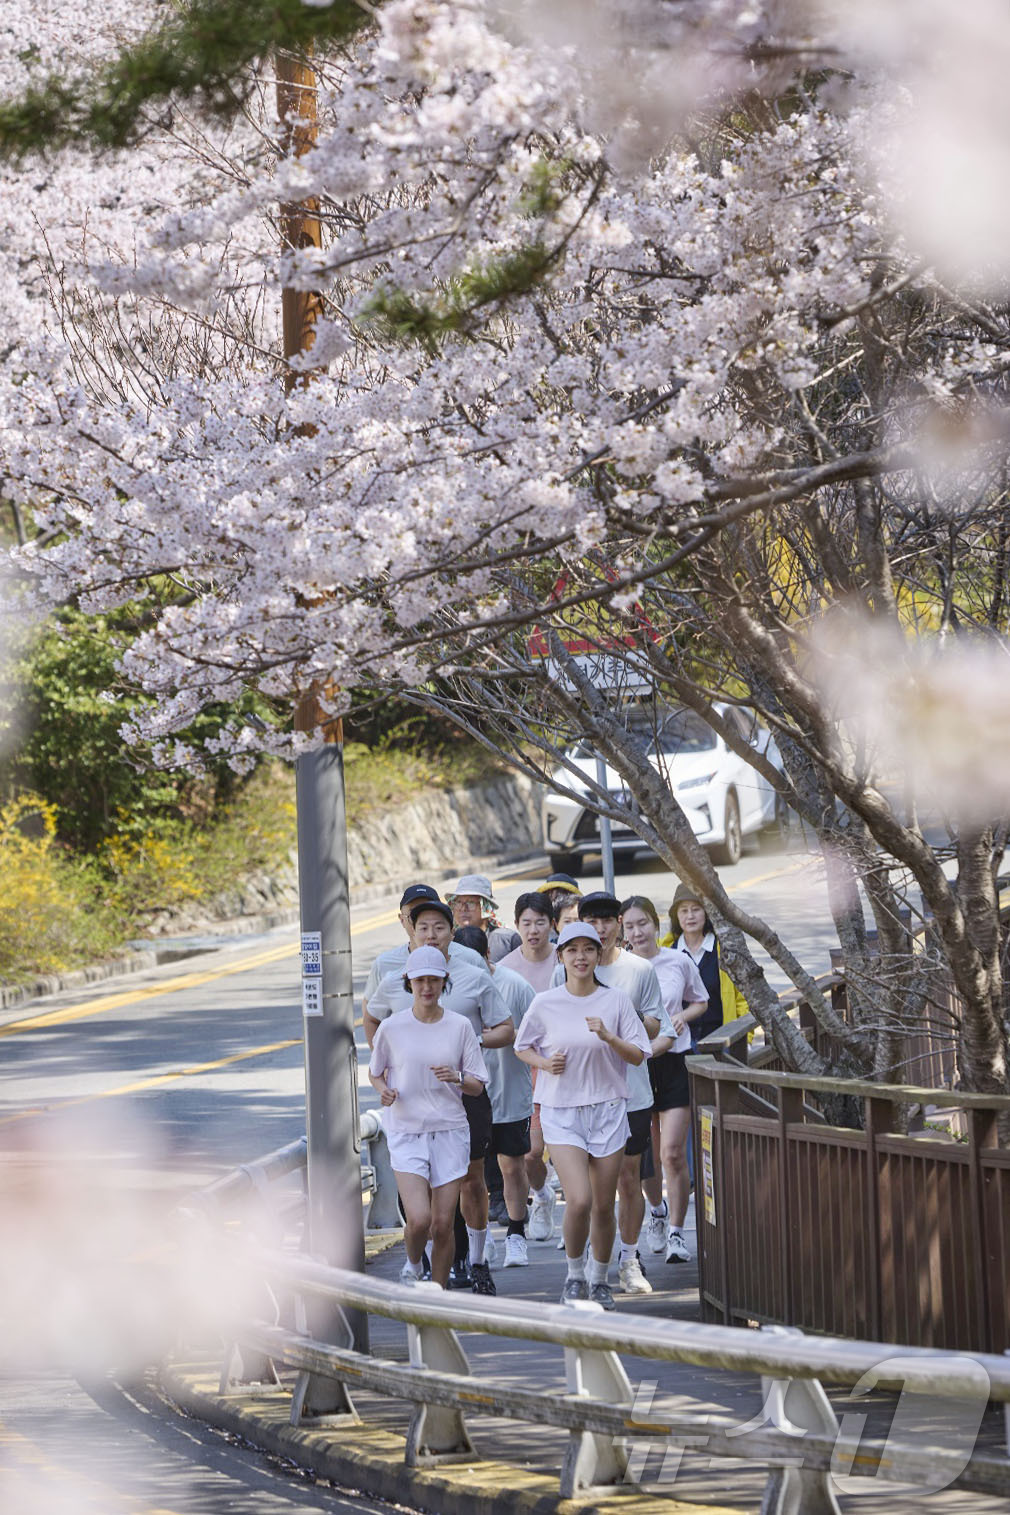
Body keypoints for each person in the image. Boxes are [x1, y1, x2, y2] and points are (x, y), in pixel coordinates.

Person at [367, 898, 515, 1295]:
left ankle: (438, 1298)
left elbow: (478, 1083)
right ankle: (414, 1264)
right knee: (418, 1220)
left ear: (444, 981)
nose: (428, 987)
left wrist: (458, 1077)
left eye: (435, 981)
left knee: (442, 1221)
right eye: (420, 981)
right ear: (409, 984)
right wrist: (385, 1091)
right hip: (407, 1129)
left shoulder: (460, 1027)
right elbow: (375, 1070)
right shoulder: (392, 1028)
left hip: (450, 1130)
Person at [515, 922, 652, 1309]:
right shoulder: (546, 1003)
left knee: (604, 1203)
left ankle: (599, 1277)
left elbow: (639, 1054)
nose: (580, 957)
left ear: (598, 955)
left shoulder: (616, 1001)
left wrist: (610, 1037)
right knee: (578, 1200)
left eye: (588, 950)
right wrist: (545, 1062)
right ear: (561, 957)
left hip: (608, 1109)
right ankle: (575, 1274)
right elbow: (522, 1047)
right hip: (561, 1111)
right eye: (572, 950)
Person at [551, 893, 674, 1295]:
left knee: (628, 1179)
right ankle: (588, 1260)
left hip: (630, 1094)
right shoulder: (564, 970)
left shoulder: (638, 971)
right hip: (576, 1096)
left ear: (619, 924)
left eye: (607, 921)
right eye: (591, 921)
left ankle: (629, 1259)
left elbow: (659, 1025)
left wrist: (624, 1024)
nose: (600, 929)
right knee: (584, 1191)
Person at [621, 895, 709, 1266]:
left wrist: (683, 1018)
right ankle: (656, 1211)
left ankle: (676, 1231)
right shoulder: (618, 967)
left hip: (673, 1059)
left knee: (672, 1152)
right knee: (649, 1156)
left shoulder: (677, 960)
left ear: (656, 925)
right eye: (630, 926)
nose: (637, 931)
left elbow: (700, 1000)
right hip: (637, 1064)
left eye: (643, 923)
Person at [454, 924, 535, 1267]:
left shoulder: (514, 985)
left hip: (509, 1091)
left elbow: (536, 1033)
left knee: (511, 1165)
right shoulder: (450, 988)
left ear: (488, 956)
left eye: (476, 962)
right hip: (467, 1097)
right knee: (471, 1174)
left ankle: (517, 1234)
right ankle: (481, 1238)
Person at [495, 890, 559, 1234]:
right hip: (525, 1070)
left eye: (540, 922)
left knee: (569, 1151)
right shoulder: (506, 970)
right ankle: (543, 1194)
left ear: (551, 924)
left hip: (564, 1067)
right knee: (533, 1153)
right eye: (526, 923)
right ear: (517, 925)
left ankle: (579, 1226)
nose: (533, 930)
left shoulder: (566, 962)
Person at [361, 883, 485, 1026]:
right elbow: (371, 1014)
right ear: (402, 920)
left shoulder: (470, 959)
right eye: (415, 914)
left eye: (431, 913)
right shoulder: (384, 964)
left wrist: (475, 1041)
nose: (429, 929)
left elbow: (496, 1018)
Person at [666, 881, 748, 1044]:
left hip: (722, 1041)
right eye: (684, 911)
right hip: (678, 1045)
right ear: (676, 916)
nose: (690, 916)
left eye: (696, 909)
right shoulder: (668, 952)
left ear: (706, 912)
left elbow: (743, 999)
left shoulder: (724, 950)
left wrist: (748, 1040)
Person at [446, 874, 519, 963]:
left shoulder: (506, 941)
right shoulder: (447, 942)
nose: (463, 909)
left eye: (471, 903)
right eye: (458, 902)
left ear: (486, 908)